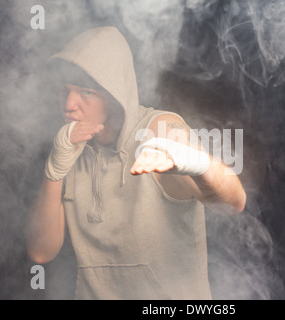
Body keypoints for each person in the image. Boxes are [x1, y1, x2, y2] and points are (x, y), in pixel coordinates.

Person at [26, 26, 246, 300]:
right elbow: (40, 251)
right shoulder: (68, 145)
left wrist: (198, 163)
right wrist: (54, 171)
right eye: (64, 91)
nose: (69, 104)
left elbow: (234, 203)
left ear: (115, 94)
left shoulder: (160, 130)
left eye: (85, 92)